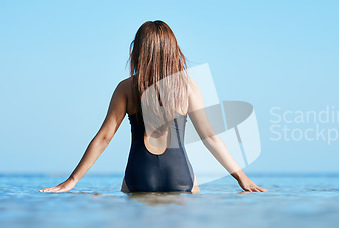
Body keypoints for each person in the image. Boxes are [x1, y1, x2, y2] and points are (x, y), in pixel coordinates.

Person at [39, 20, 268, 193]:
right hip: (180, 174)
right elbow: (210, 137)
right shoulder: (186, 87)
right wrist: (241, 177)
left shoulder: (126, 88)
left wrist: (72, 180)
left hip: (139, 173)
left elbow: (104, 137)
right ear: (172, 50)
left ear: (138, 50)